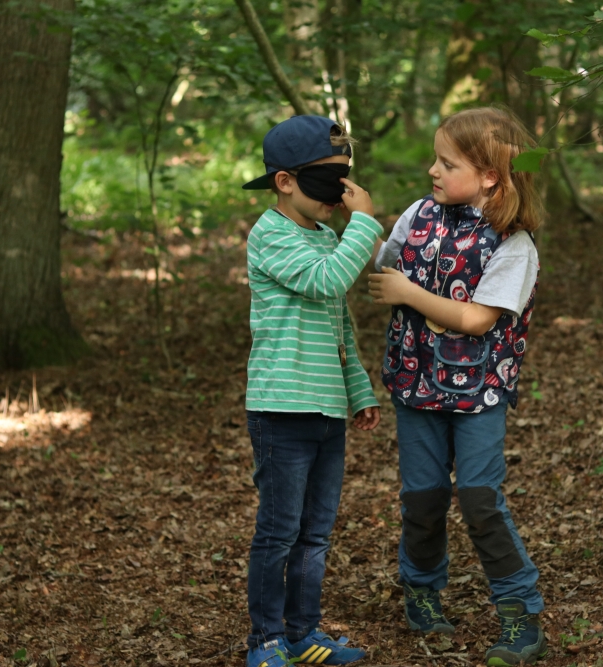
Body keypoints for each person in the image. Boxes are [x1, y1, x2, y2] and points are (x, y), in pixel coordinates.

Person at [368, 107, 546, 666]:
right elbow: (382, 263)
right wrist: (364, 220)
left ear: (490, 174)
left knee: (478, 496)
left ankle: (520, 612)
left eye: (447, 163)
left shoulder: (513, 244)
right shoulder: (418, 215)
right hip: (415, 386)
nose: (432, 171)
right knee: (422, 497)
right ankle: (421, 591)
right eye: (435, 159)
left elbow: (476, 320)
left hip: (478, 396)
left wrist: (407, 293)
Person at [241, 115, 382, 667]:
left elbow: (338, 324)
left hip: (327, 408)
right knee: (278, 533)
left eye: (345, 182)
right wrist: (364, 224)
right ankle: (265, 641)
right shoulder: (270, 235)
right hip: (281, 409)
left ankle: (301, 635)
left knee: (315, 534)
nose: (340, 196)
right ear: (284, 181)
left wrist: (359, 390)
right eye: (328, 183)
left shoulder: (325, 237)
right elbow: (328, 281)